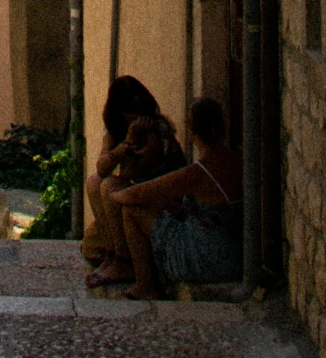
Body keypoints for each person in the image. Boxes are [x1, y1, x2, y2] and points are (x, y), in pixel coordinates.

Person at [106, 95, 242, 298]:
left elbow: (139, 194)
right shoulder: (234, 160)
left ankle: (145, 286)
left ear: (191, 130)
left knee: (132, 211)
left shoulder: (198, 172)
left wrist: (113, 196)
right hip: (235, 255)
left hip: (204, 259)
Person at [81, 75, 185, 275]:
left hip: (159, 196)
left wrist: (133, 141)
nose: (136, 116)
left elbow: (135, 174)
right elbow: (102, 167)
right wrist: (126, 143)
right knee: (96, 182)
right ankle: (113, 253)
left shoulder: (156, 131)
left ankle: (124, 260)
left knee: (109, 187)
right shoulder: (117, 129)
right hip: (136, 188)